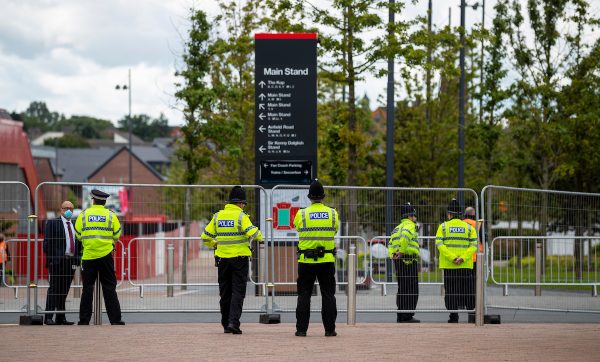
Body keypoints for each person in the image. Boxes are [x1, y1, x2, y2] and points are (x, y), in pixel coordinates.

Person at [201, 186, 262, 335]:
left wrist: (214, 244)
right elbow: (255, 234)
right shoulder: (242, 216)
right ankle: (233, 323)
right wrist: (258, 233)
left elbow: (205, 236)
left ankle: (225, 323)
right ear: (241, 203)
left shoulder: (217, 216)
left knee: (225, 292)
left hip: (222, 260)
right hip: (239, 260)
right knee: (238, 292)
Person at [294, 179, 339, 337]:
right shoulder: (333, 213)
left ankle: (301, 330)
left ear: (310, 197)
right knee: (328, 294)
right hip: (327, 260)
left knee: (304, 294)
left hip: (306, 261)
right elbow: (335, 229)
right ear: (323, 197)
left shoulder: (302, 213)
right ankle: (329, 329)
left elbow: (297, 226)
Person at [74, 189, 124, 325]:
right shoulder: (111, 215)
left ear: (93, 200)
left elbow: (78, 234)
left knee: (87, 288)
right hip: (106, 256)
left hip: (89, 256)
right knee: (109, 288)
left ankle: (84, 320)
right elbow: (117, 234)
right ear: (105, 201)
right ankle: (115, 320)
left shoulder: (83, 215)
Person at [436, 199, 478, 323]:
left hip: (449, 265)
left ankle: (453, 317)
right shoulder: (469, 228)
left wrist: (453, 258)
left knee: (451, 291)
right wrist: (463, 258)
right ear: (460, 213)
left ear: (449, 214)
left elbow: (439, 244)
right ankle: (472, 315)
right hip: (465, 265)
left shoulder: (443, 227)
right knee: (468, 289)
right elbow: (474, 245)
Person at [42, 201, 81, 325]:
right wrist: (52, 259)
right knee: (54, 289)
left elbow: (78, 243)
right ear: (61, 209)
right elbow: (47, 243)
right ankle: (48, 316)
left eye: (71, 208)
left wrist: (77, 258)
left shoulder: (75, 224)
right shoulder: (53, 223)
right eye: (66, 208)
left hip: (70, 261)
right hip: (58, 261)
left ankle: (60, 317)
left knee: (64, 290)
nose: (69, 210)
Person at [388, 202, 420, 323]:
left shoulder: (396, 228)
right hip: (408, 259)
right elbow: (405, 237)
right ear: (409, 216)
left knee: (402, 288)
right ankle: (407, 316)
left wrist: (393, 255)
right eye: (414, 216)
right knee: (411, 289)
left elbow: (390, 244)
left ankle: (401, 314)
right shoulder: (410, 225)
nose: (415, 218)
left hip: (398, 261)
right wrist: (401, 251)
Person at [463, 206, 482, 319]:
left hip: (462, 258)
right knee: (474, 283)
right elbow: (483, 239)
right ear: (473, 214)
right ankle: (473, 306)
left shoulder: (461, 223)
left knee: (463, 282)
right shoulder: (477, 224)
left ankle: (463, 303)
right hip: (475, 258)